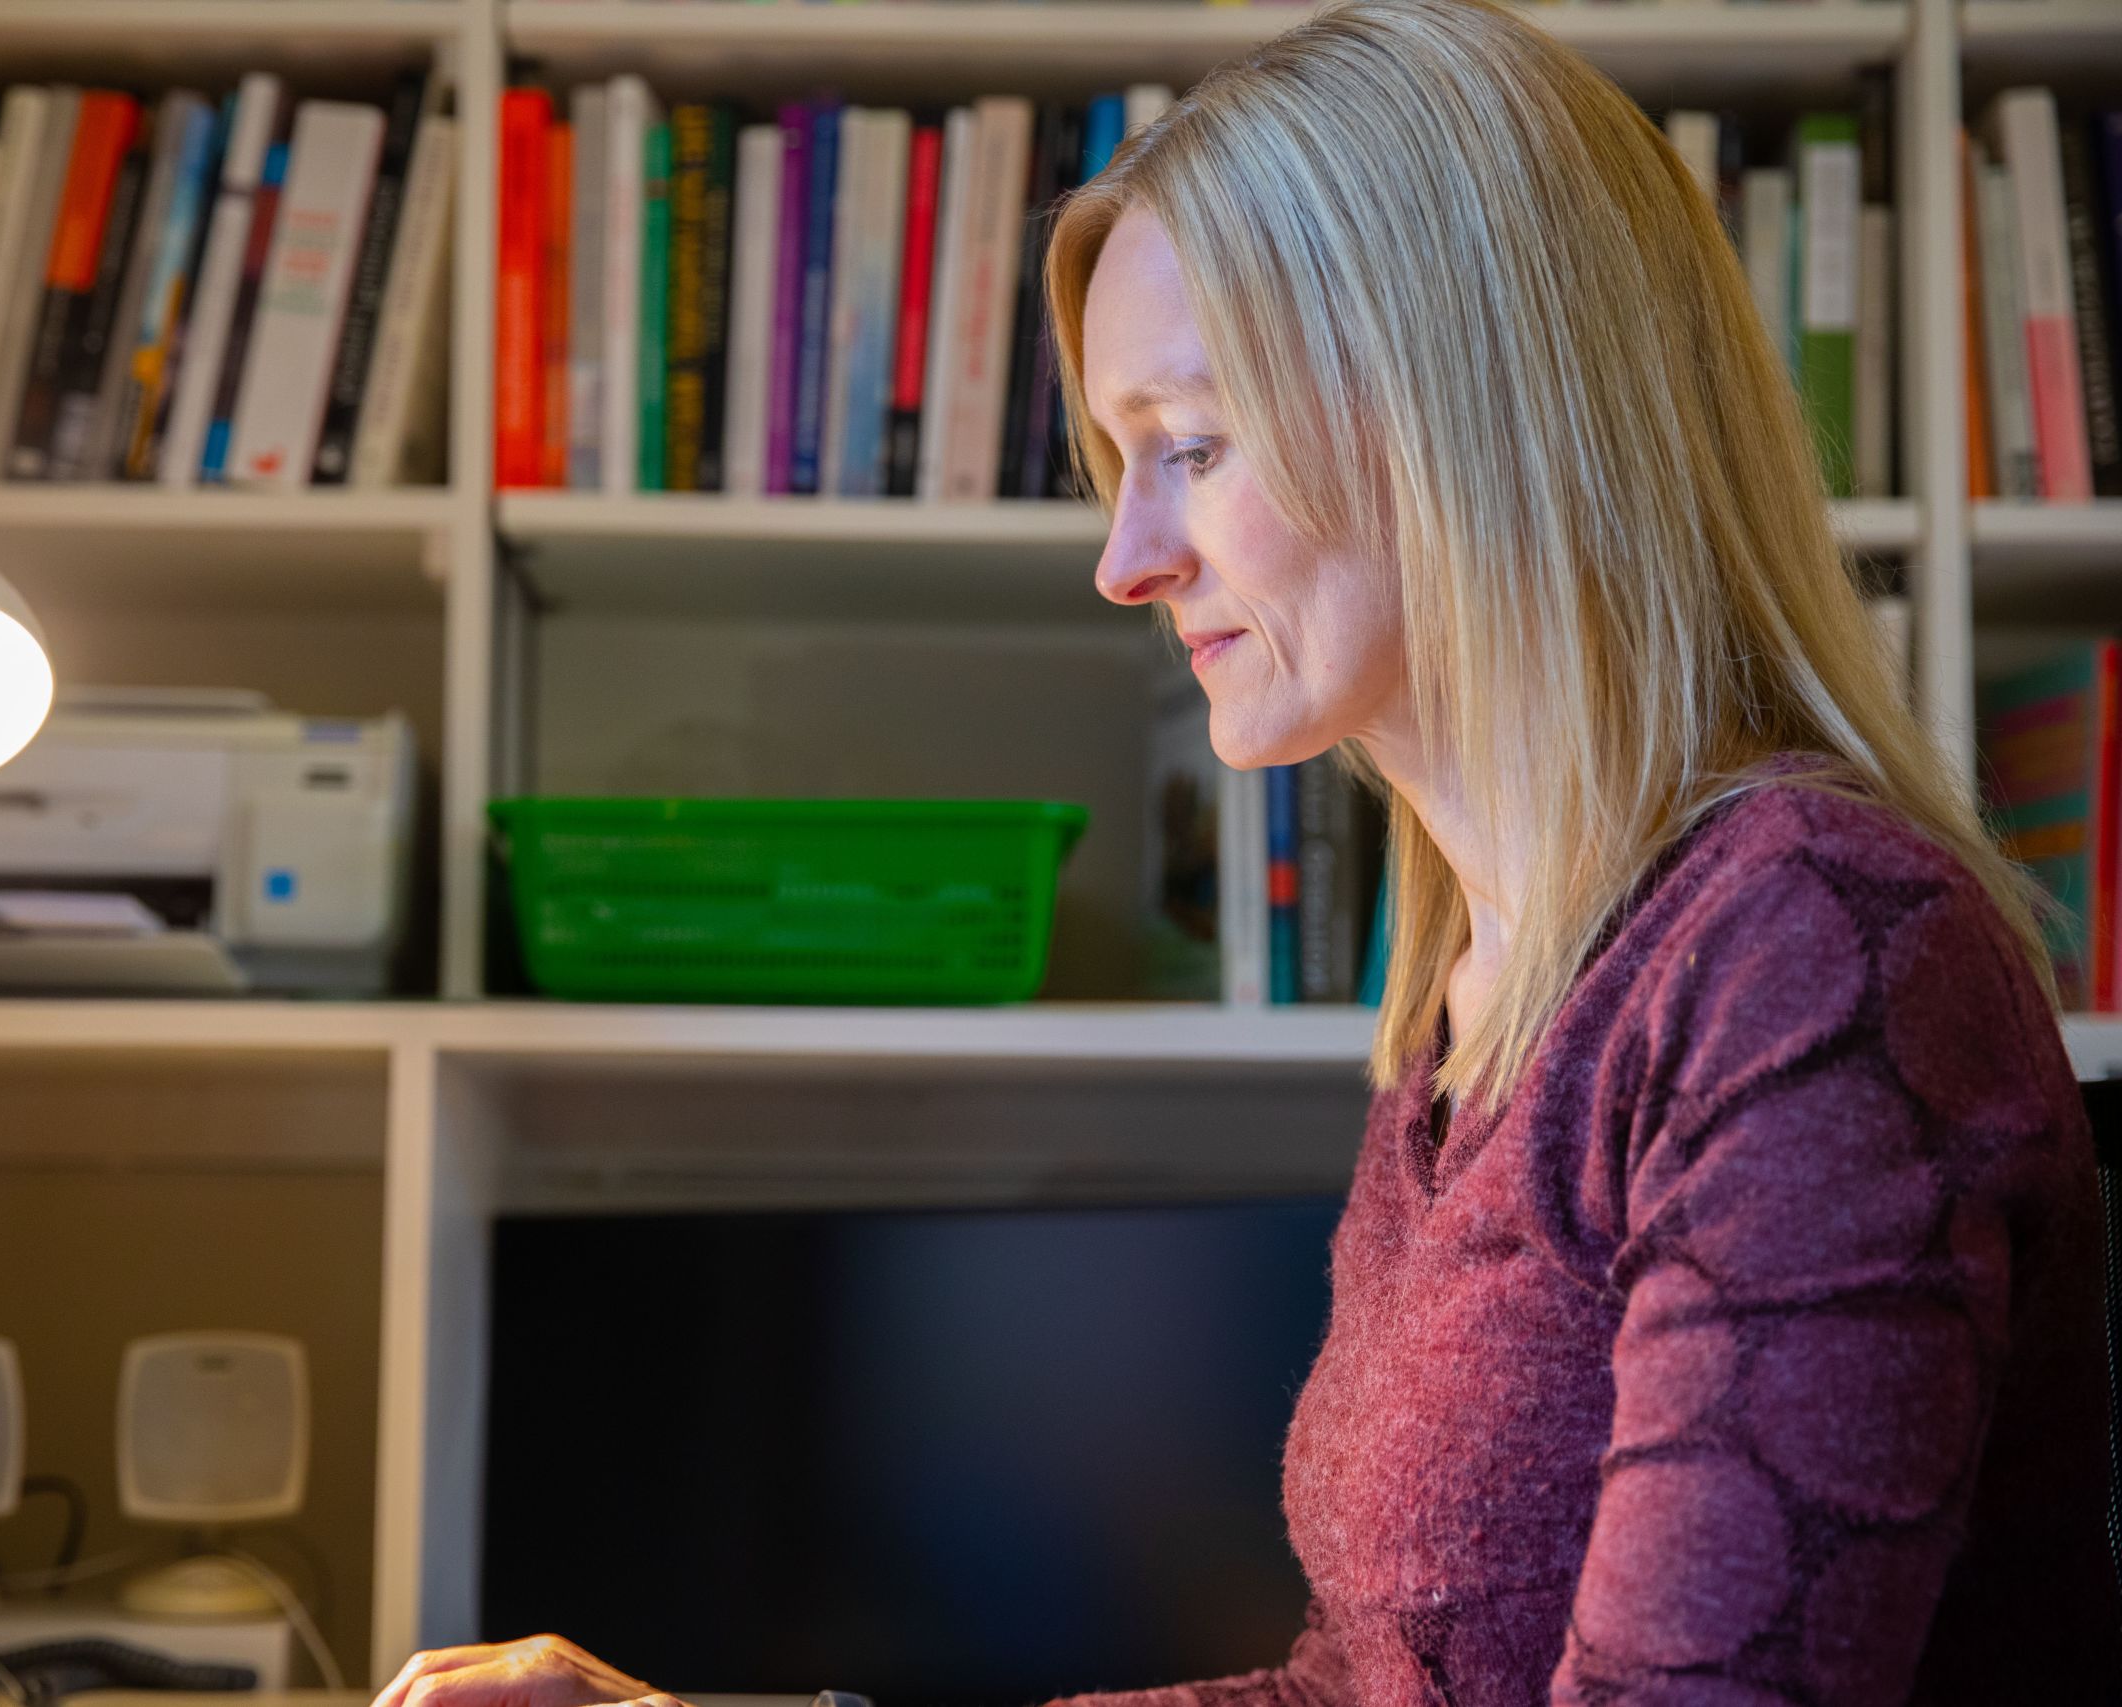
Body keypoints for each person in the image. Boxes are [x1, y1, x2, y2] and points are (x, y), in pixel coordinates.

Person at [371, 0, 2122, 1701]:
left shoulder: (1810, 953)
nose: (1127, 561)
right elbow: (1360, 1686)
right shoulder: (1482, 996)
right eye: (1126, 464)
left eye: (1193, 448)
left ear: (1474, 417)